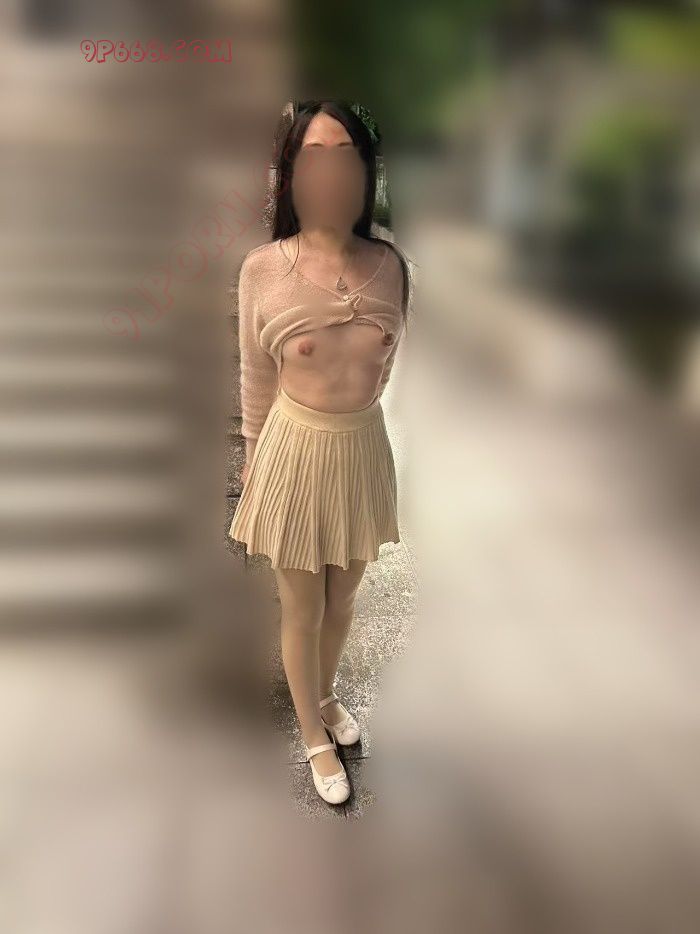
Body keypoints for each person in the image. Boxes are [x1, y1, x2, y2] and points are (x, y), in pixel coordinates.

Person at [229, 99, 412, 805]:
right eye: (315, 157)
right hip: (294, 452)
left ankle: (326, 696)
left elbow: (382, 368)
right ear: (291, 174)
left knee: (344, 602)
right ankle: (312, 734)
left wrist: (357, 414)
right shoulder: (263, 269)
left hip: (362, 449)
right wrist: (254, 461)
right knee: (302, 608)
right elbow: (256, 377)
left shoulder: (389, 266)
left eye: (346, 157)